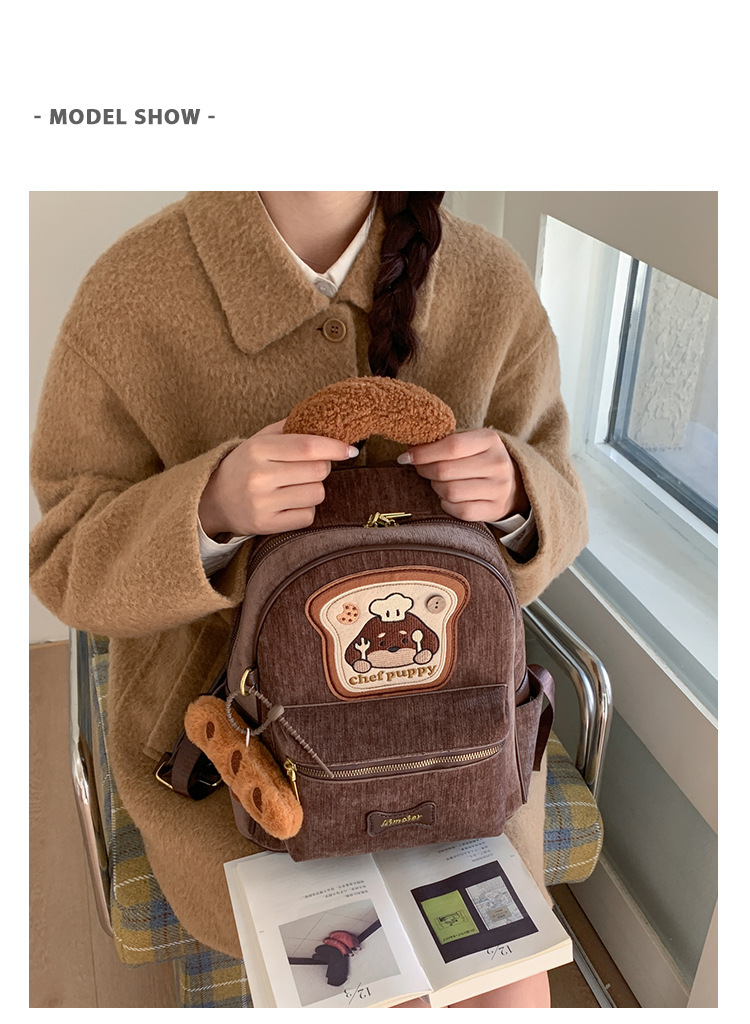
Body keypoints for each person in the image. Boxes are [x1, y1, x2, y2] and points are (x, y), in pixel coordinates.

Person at [29, 191, 588, 1008]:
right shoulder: (131, 293)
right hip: (234, 776)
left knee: (510, 995)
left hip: (467, 754)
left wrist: (516, 499)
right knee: (365, 988)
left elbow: (561, 505)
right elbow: (65, 560)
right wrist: (208, 510)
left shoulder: (491, 285)